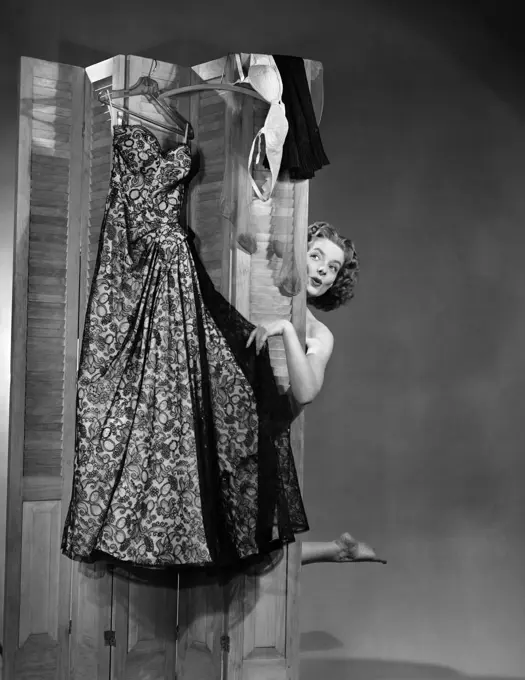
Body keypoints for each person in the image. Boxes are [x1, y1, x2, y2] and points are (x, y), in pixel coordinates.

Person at [247, 221, 385, 566]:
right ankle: (338, 549)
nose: (323, 269)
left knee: (258, 553)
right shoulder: (254, 290)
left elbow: (306, 390)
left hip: (262, 439)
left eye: (333, 267)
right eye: (316, 256)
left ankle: (337, 549)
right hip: (224, 423)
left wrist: (287, 332)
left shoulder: (320, 334)